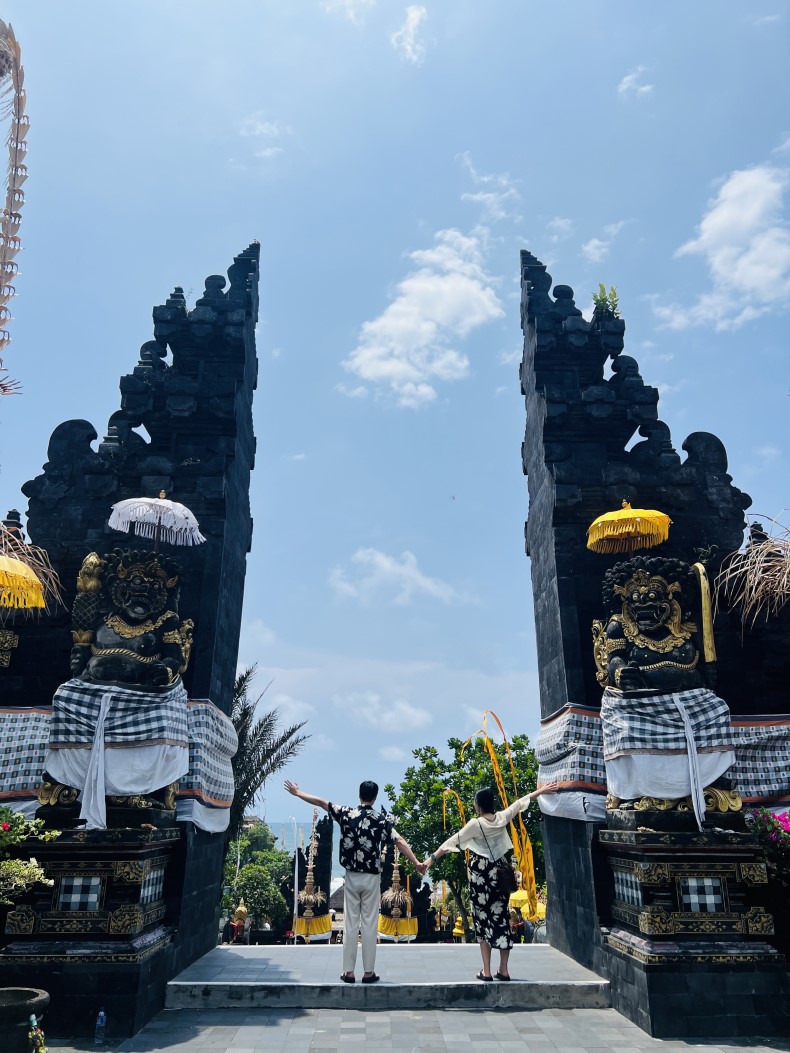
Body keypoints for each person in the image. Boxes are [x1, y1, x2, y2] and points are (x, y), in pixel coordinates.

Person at [285, 778, 421, 984]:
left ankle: (348, 972)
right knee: (369, 924)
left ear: (359, 795)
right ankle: (369, 972)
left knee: (350, 923)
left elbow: (321, 802)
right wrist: (417, 862)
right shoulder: (381, 820)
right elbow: (399, 841)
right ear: (375, 797)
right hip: (372, 878)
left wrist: (298, 793)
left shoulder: (347, 813)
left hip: (351, 876)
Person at [420, 784, 556, 981]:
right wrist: (542, 791)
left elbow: (452, 841)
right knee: (501, 919)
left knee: (482, 921)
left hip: (481, 878)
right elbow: (520, 803)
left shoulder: (476, 824)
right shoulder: (501, 818)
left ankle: (486, 971)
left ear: (478, 805)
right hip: (500, 876)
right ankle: (504, 970)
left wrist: (429, 861)